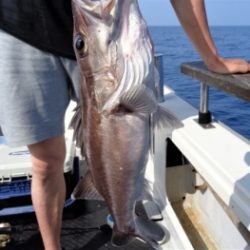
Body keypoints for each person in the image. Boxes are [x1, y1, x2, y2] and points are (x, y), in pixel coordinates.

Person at [0, 1, 249, 250]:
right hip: (23, 29)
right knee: (45, 163)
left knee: (119, 122)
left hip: (102, 36)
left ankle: (125, 214)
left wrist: (211, 57)